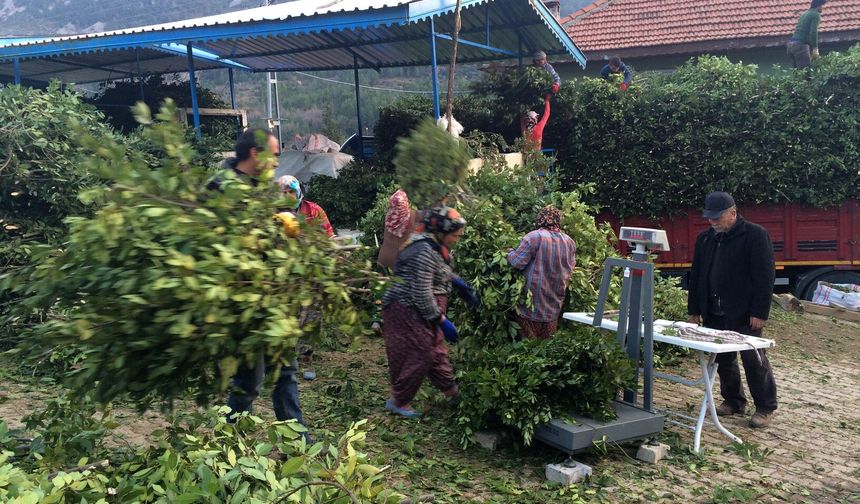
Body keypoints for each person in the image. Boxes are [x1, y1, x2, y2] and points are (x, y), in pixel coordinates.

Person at [213, 129, 310, 439]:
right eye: (275, 154)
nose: (277, 160)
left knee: (286, 369)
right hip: (242, 300)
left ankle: (298, 440)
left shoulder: (265, 190)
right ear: (256, 154)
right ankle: (232, 442)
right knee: (249, 380)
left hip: (273, 295)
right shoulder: (220, 189)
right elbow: (214, 244)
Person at [687, 191, 778, 429]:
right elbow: (696, 275)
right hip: (714, 310)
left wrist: (760, 311)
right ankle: (734, 400)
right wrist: (694, 309)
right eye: (709, 217)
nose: (712, 221)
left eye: (717, 217)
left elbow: (765, 276)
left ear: (733, 213)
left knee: (754, 359)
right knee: (723, 359)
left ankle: (765, 406)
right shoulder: (705, 239)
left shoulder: (755, 235)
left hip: (745, 312)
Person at [381, 206, 478, 418]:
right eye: (455, 235)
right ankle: (398, 400)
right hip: (406, 307)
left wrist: (459, 283)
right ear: (442, 231)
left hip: (423, 306)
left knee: (436, 350)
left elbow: (440, 271)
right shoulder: (422, 251)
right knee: (421, 351)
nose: (457, 239)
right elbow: (421, 294)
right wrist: (441, 320)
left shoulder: (434, 247)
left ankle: (451, 392)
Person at [507, 206, 576, 339]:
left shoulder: (534, 237)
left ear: (540, 220)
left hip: (531, 305)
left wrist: (509, 252)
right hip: (553, 305)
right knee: (546, 347)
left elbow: (516, 262)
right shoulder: (569, 242)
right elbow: (571, 268)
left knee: (528, 347)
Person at [207, 128, 279, 190]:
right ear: (255, 154)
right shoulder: (217, 191)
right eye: (273, 156)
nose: (276, 164)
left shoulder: (265, 189)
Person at [377, 189, 418, 269]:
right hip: (401, 263)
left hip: (383, 261)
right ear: (405, 203)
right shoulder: (412, 216)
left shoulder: (389, 216)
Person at [788, 0, 825, 69]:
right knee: (806, 72)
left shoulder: (805, 14)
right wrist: (815, 48)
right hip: (800, 46)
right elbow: (813, 32)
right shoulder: (815, 14)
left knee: (797, 74)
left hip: (791, 46)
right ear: (818, 6)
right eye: (822, 6)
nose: (822, 8)